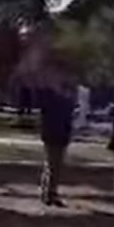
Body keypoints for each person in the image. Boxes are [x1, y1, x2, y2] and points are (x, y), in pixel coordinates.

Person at [37, 69, 75, 207]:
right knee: (51, 166)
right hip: (52, 136)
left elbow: (68, 120)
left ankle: (51, 192)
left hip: (61, 136)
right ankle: (47, 193)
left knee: (56, 167)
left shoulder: (65, 101)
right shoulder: (51, 99)